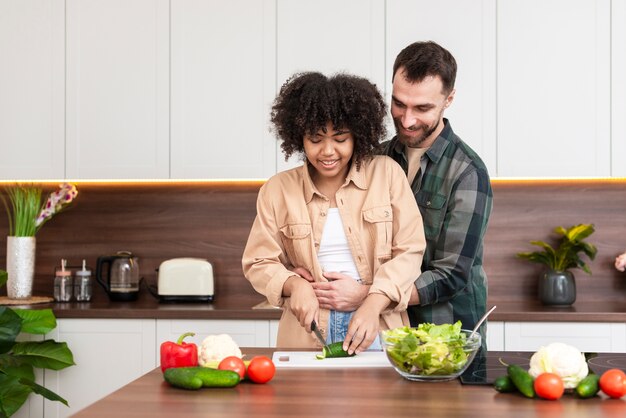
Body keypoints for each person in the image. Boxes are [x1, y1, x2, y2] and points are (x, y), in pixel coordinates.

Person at [297, 41, 493, 346]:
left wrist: (368, 296)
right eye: (399, 103)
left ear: (449, 99)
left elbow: (452, 274)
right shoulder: (376, 158)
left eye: (423, 108)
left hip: (444, 333)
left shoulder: (467, 172)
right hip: (387, 332)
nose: (407, 119)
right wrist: (298, 273)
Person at [242, 72, 426, 353]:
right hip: (307, 332)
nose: (328, 151)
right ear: (299, 138)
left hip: (379, 327)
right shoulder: (277, 190)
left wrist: (372, 303)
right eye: (315, 139)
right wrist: (294, 284)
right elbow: (258, 262)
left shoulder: (386, 174)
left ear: (357, 136)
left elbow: (410, 251)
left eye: (340, 138)